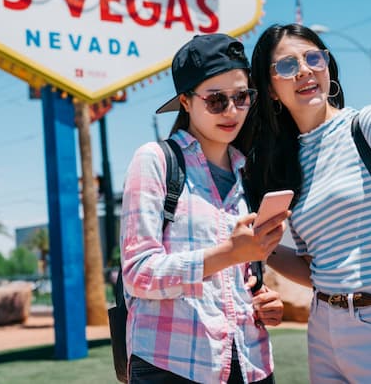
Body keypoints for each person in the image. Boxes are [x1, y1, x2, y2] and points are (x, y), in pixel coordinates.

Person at [240, 0, 371, 383]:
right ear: (270, 89)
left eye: (313, 59)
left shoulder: (365, 124)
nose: (304, 71)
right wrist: (256, 247)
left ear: (327, 65)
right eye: (287, 66)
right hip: (324, 329)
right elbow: (314, 268)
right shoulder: (285, 164)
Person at [120, 33, 288, 384]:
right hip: (173, 366)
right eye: (216, 100)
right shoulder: (155, 161)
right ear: (185, 101)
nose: (231, 111)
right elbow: (138, 273)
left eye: (242, 97)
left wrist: (262, 299)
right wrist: (228, 253)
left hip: (251, 361)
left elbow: (239, 278)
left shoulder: (247, 175)